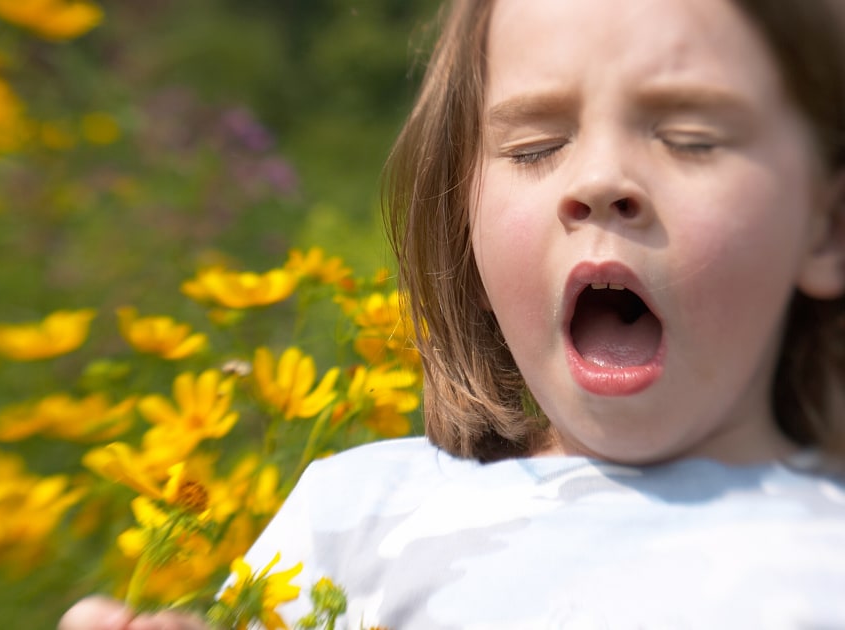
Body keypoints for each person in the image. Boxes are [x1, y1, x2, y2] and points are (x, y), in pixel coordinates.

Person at [61, 0, 845, 626]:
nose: (601, 179)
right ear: (461, 209)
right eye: (537, 145)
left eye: (689, 137)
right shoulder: (361, 514)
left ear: (827, 225)